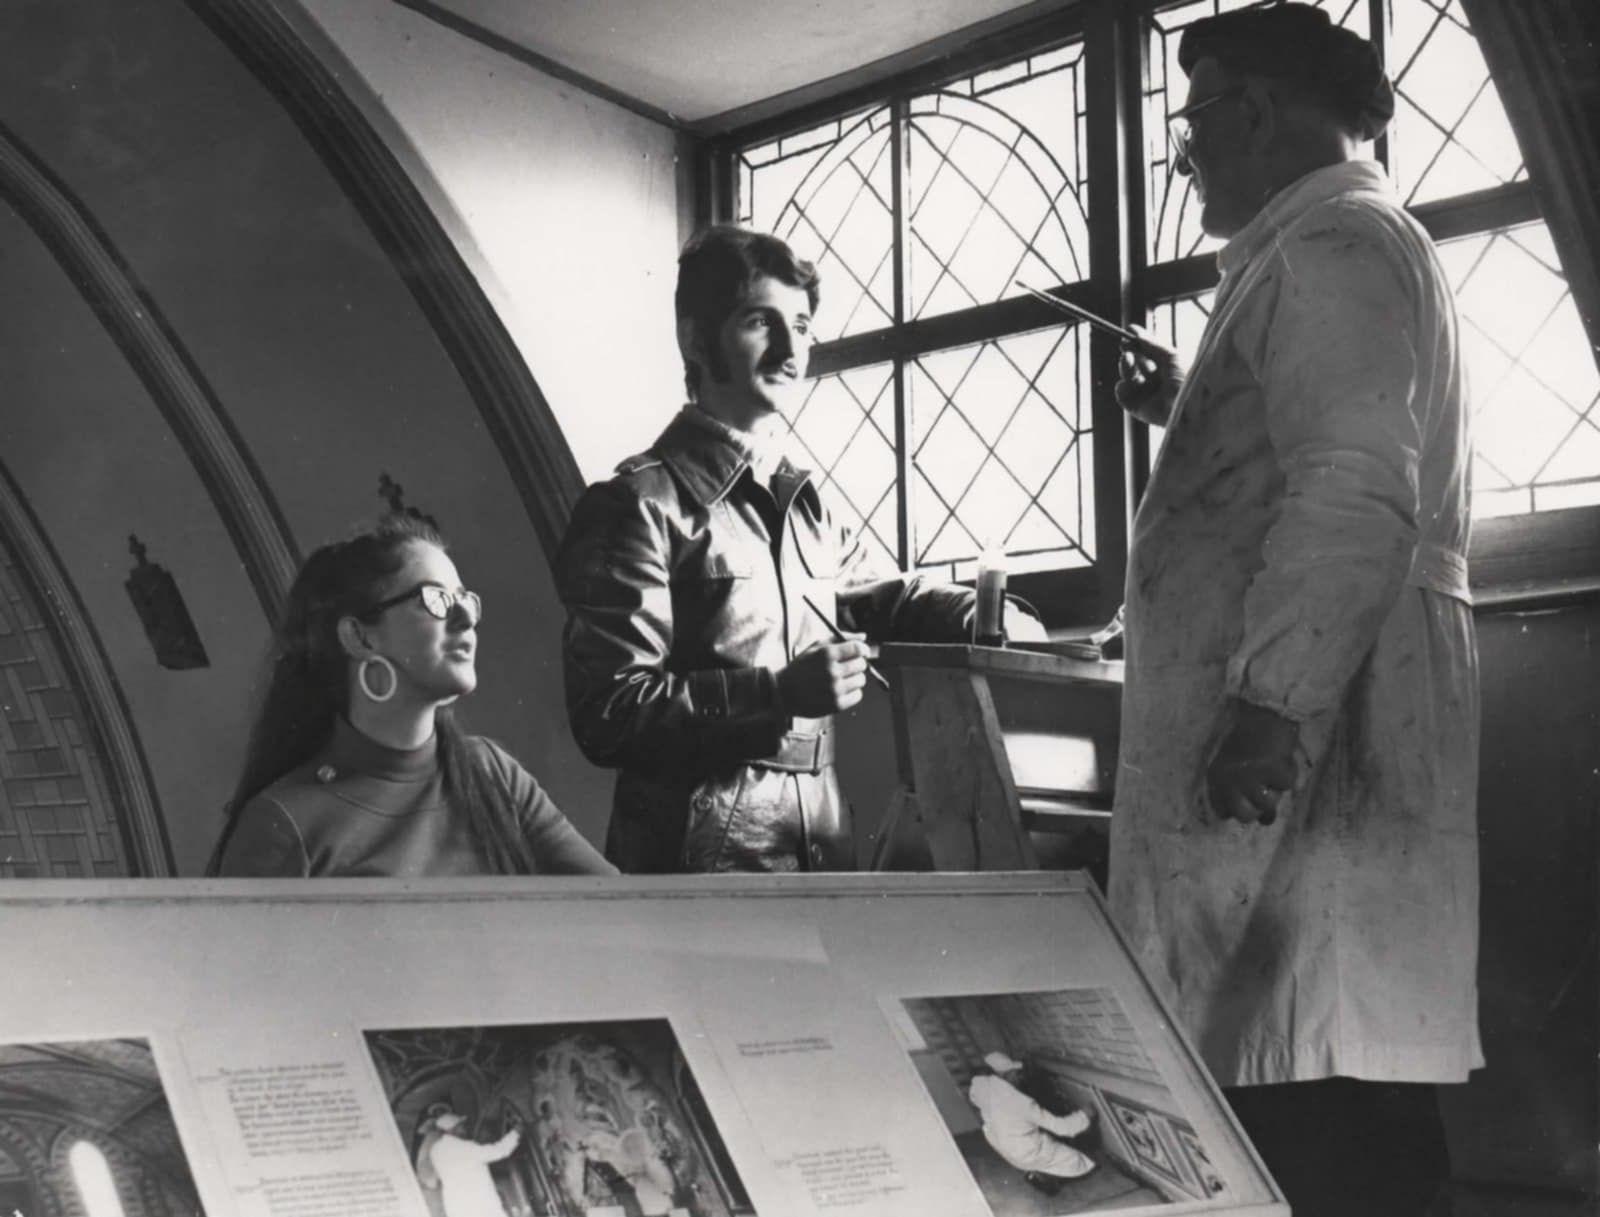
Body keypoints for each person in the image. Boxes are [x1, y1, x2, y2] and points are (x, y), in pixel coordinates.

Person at [1108, 8, 1478, 1216]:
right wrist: (1191, 408)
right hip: (1330, 753)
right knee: (1317, 1074)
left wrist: (1269, 703)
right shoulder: (1330, 249)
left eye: (1193, 120)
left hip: (1310, 752)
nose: (1182, 156)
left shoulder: (1331, 246)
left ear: (1252, 111)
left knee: (1318, 1104)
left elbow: (1355, 492)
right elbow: (1310, 460)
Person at [557, 225, 1039, 873]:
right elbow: (608, 711)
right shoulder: (637, 502)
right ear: (696, 339)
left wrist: (1001, 617)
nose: (791, 349)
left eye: (804, 325)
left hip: (822, 843)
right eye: (762, 321)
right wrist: (776, 692)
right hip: (695, 862)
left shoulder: (807, 505)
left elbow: (886, 597)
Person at [210, 514, 617, 878]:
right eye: (436, 599)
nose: (465, 620)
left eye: (465, 600)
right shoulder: (283, 824)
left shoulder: (493, 774)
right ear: (359, 636)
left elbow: (623, 911)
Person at [967, 1052, 1094, 1191]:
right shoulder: (1019, 1102)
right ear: (1005, 1075)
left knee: (1042, 1136)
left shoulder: (981, 1087)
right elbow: (1063, 1128)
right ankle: (1046, 1178)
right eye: (1016, 1074)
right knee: (1078, 1161)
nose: (1019, 1077)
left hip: (1005, 1149)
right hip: (1026, 1153)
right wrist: (1084, 1115)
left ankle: (1039, 1170)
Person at [422, 1111, 520, 1217]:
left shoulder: (436, 1150)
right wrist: (517, 1132)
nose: (465, 1129)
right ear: (452, 1129)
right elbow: (500, 1150)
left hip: (457, 1208)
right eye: (461, 1126)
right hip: (480, 1207)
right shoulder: (465, 1148)